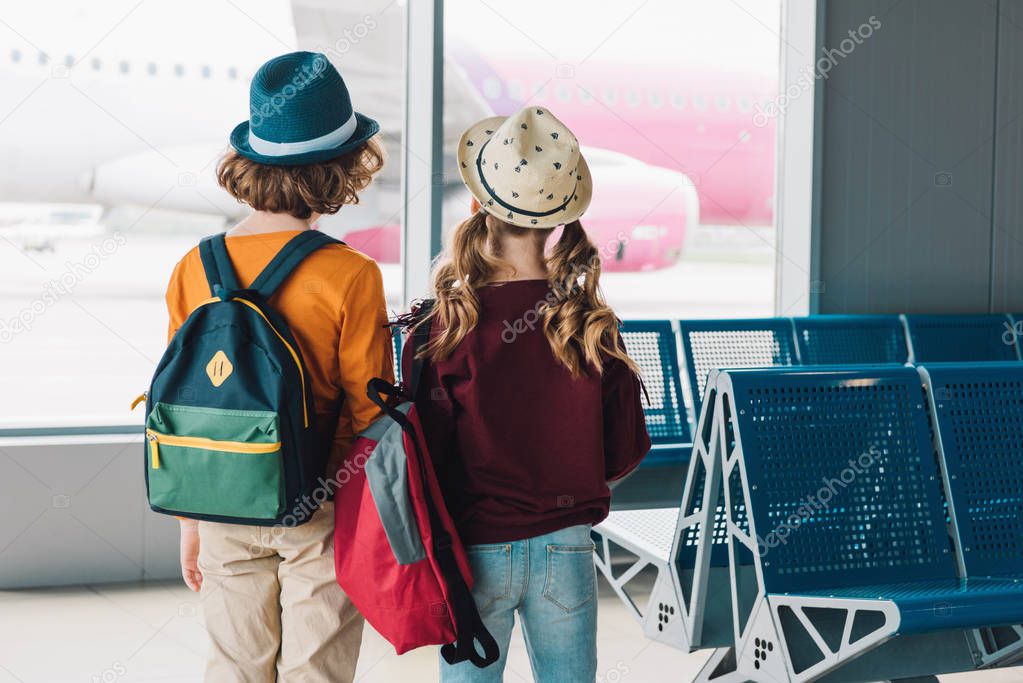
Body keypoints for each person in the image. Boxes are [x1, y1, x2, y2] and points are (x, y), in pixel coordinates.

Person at [164, 51, 392, 682]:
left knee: (234, 667)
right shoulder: (350, 274)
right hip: (317, 501)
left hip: (220, 496)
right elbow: (369, 410)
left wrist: (192, 523)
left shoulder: (193, 266)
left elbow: (186, 404)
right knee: (315, 669)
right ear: (342, 169)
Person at [415, 106, 651, 682]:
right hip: (566, 548)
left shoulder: (443, 325)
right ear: (560, 222)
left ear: (477, 207)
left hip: (473, 554)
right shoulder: (588, 322)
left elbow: (423, 456)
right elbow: (622, 453)